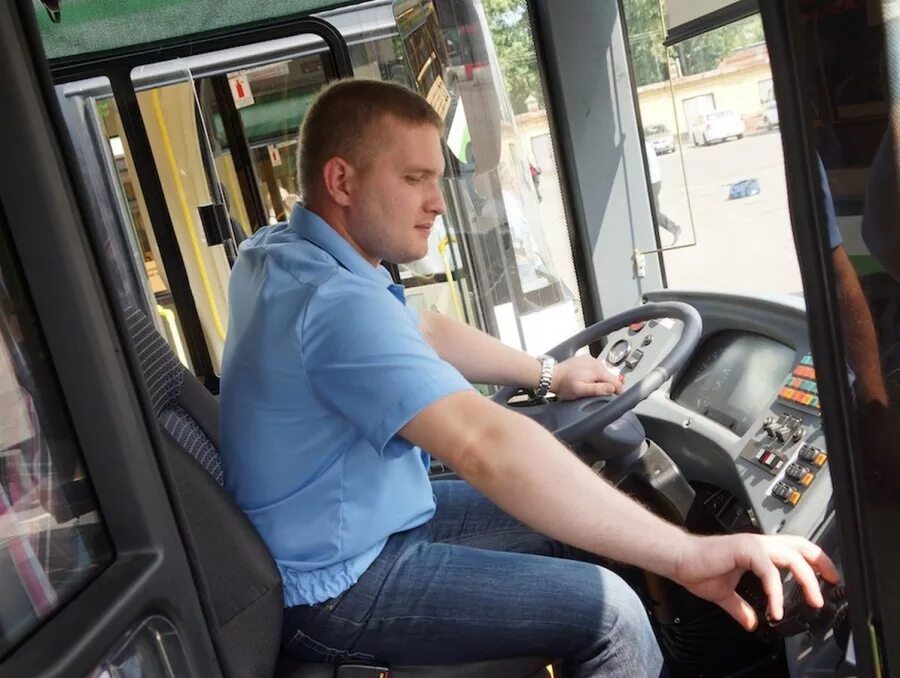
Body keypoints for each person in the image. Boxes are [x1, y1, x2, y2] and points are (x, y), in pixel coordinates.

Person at [220, 79, 838, 676]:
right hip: (337, 585)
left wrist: (550, 374)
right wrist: (687, 553)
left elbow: (426, 328)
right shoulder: (333, 303)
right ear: (341, 181)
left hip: (352, 527)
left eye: (437, 179)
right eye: (414, 180)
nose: (437, 202)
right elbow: (482, 445)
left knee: (593, 530)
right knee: (612, 612)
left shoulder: (282, 251)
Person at [645, 139, 682, 243]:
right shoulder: (647, 145)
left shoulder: (644, 147)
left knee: (654, 213)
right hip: (655, 181)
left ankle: (674, 228)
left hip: (652, 182)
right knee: (651, 211)